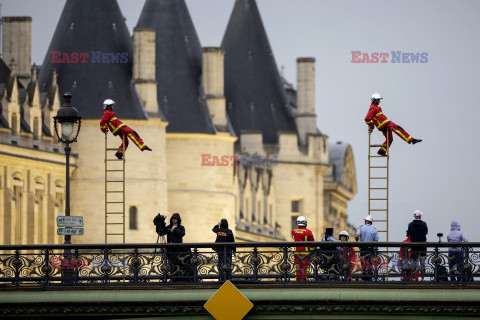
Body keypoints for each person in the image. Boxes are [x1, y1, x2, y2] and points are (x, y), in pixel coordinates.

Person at [156, 213, 189, 282]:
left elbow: (181, 234)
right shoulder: (168, 227)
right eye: (173, 219)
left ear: (178, 220)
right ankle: (173, 278)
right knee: (171, 263)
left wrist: (174, 230)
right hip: (170, 249)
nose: (174, 220)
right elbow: (161, 233)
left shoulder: (181, 227)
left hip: (178, 249)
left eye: (175, 219)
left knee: (179, 263)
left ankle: (179, 278)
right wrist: (158, 225)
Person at [291, 216, 315, 281]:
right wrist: (312, 250)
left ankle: (297, 278)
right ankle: (304, 278)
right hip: (306, 252)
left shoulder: (293, 231)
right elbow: (312, 243)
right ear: (305, 223)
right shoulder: (308, 232)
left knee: (297, 265)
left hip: (297, 252)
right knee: (305, 266)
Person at [355, 215, 379, 280]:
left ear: (365, 221)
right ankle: (369, 275)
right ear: (371, 222)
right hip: (370, 249)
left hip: (363, 248)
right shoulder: (374, 230)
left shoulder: (361, 228)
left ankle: (364, 275)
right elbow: (376, 241)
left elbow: (356, 236)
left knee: (363, 261)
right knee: (369, 262)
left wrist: (357, 241)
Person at [407, 210, 428, 279]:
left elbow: (408, 233)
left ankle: (413, 276)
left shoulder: (410, 224)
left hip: (413, 245)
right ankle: (422, 277)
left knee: (413, 260)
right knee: (422, 260)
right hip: (422, 245)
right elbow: (426, 232)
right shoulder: (424, 224)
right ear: (420, 216)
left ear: (414, 216)